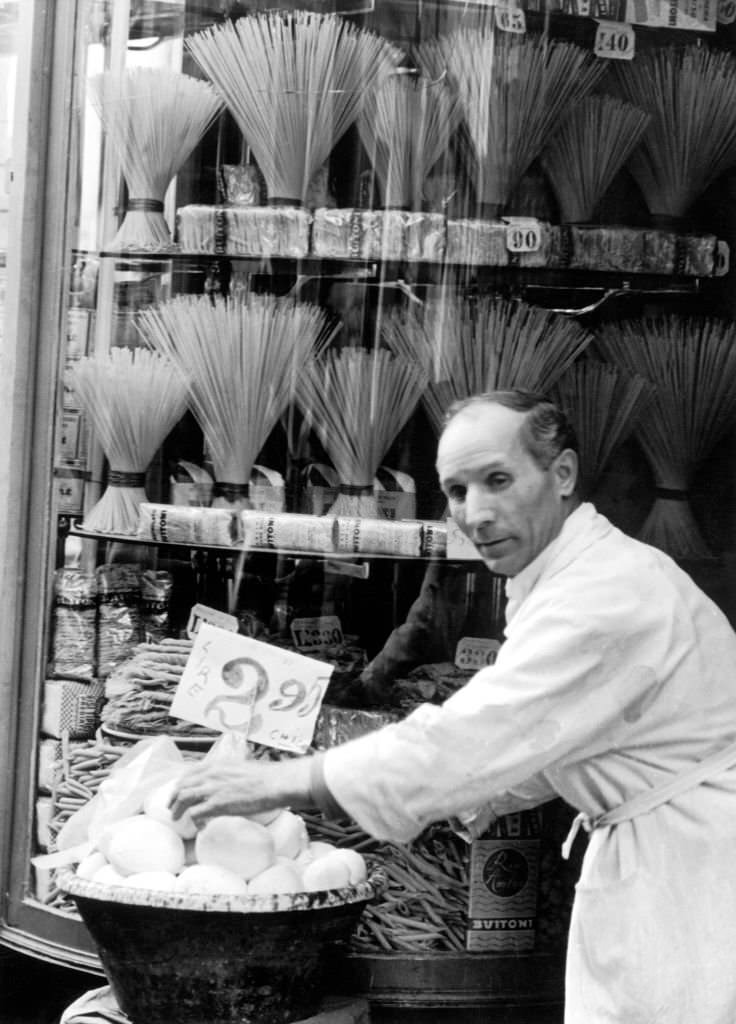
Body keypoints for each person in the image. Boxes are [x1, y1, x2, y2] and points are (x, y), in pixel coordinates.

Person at [170, 389, 736, 1024]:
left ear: (563, 475)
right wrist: (473, 796)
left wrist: (277, 781)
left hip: (695, 867)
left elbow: (470, 739)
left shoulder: (604, 594)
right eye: (458, 491)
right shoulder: (572, 574)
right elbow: (550, 733)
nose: (478, 513)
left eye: (498, 480)